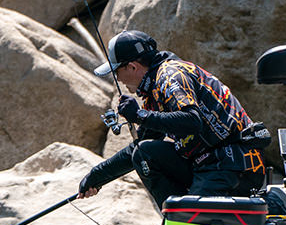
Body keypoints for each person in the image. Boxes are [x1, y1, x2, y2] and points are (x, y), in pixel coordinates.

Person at [78, 30, 266, 207]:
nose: (118, 79)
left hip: (233, 164)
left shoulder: (170, 75)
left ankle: (182, 219)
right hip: (208, 165)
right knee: (145, 153)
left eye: (117, 71)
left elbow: (192, 121)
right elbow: (139, 147)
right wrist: (97, 176)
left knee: (187, 221)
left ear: (132, 66)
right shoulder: (154, 90)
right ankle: (175, 217)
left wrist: (139, 115)